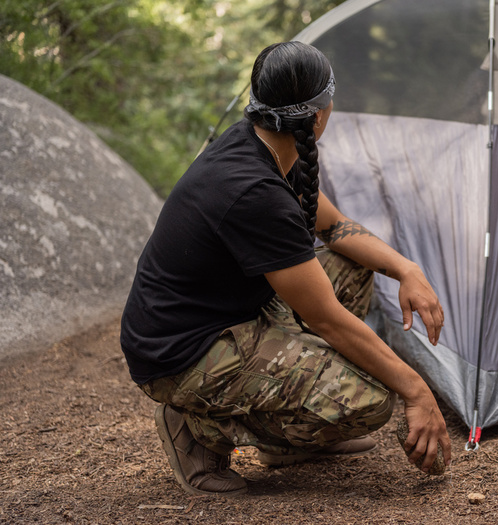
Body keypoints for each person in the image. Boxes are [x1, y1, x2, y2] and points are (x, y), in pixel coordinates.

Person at [120, 41, 451, 497]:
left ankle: (292, 428)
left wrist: (406, 269)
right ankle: (198, 427)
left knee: (353, 269)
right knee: (371, 402)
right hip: (183, 352)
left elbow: (333, 228)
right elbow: (326, 320)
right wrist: (417, 390)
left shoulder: (272, 145)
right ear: (318, 114)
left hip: (230, 309)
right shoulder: (253, 191)